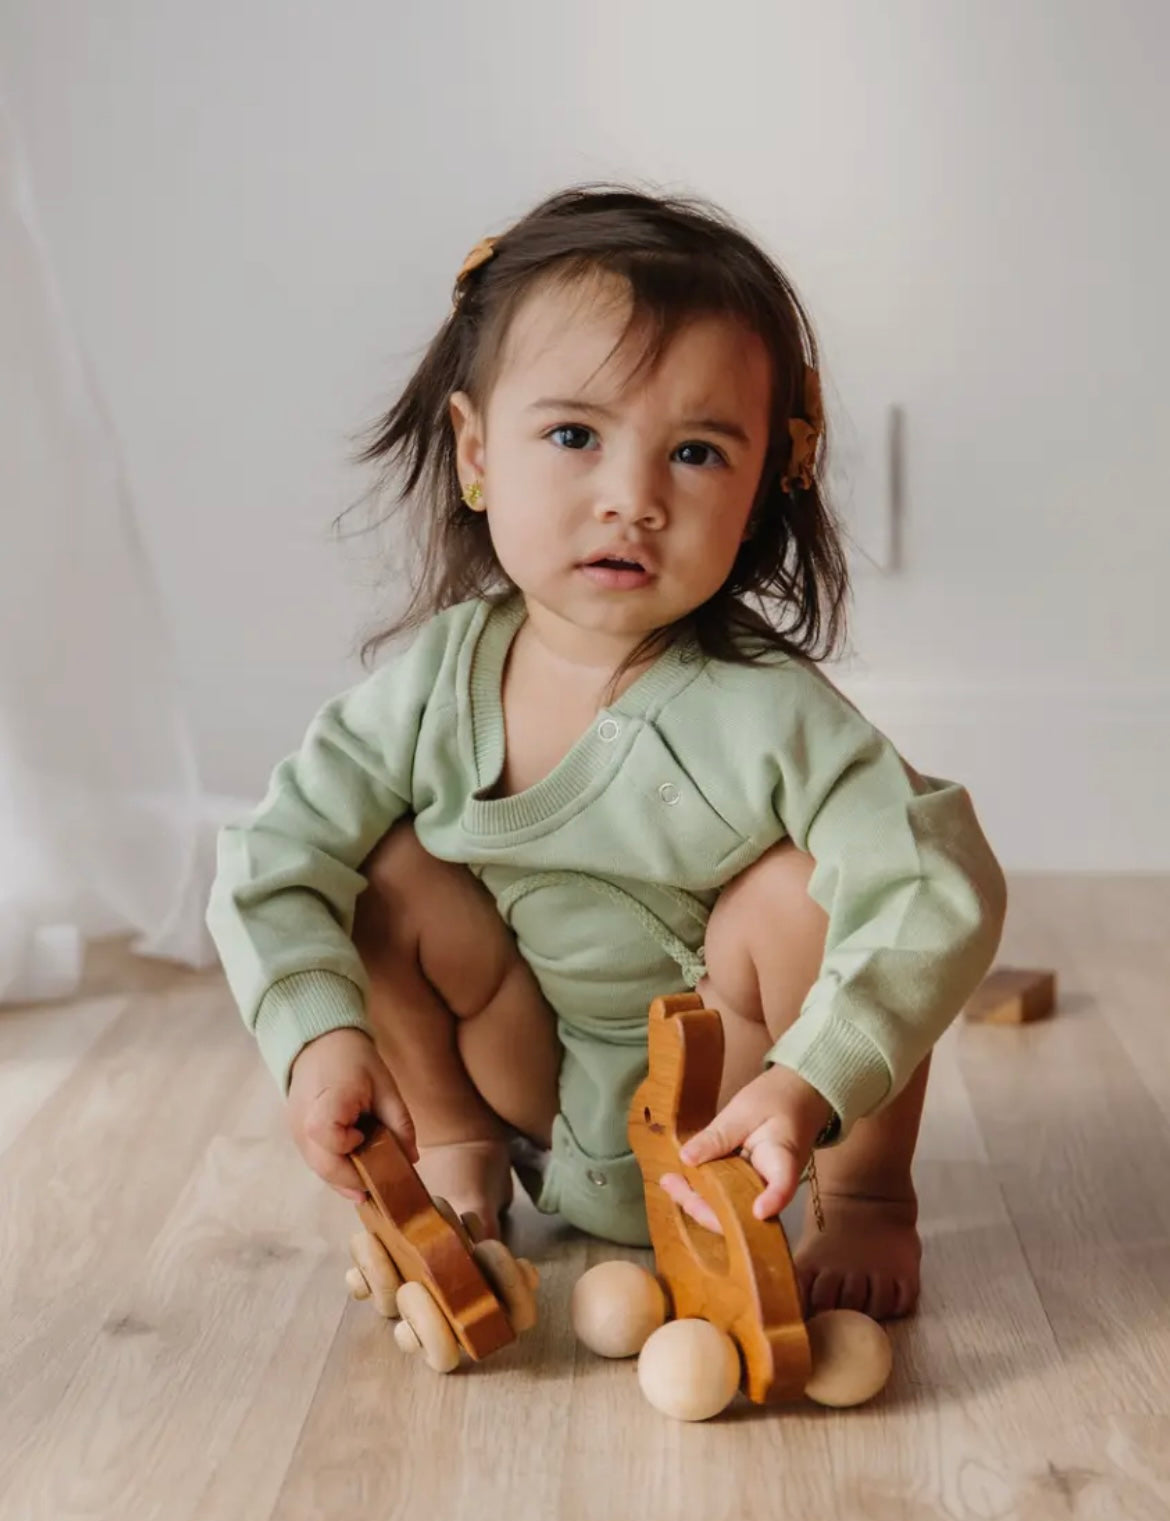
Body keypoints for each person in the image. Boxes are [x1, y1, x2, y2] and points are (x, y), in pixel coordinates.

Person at [206, 185, 1006, 1322]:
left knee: (811, 895)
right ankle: (458, 1144)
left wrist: (805, 1081)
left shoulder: (764, 711)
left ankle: (870, 1193)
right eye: (574, 435)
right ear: (477, 453)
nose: (631, 500)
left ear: (764, 486)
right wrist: (319, 1040)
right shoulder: (437, 688)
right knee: (383, 872)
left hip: (733, 1087)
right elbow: (273, 856)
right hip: (529, 1070)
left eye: (693, 452)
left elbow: (937, 881)